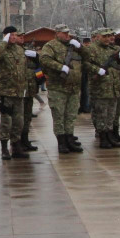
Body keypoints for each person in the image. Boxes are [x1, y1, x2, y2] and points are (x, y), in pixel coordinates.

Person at [39, 24, 86, 153]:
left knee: (71, 116)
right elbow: (44, 59)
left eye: (68, 33)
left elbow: (88, 56)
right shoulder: (50, 46)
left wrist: (80, 47)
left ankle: (70, 140)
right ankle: (61, 142)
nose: (67, 35)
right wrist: (61, 67)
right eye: (64, 33)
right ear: (57, 33)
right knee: (59, 116)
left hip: (73, 88)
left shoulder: (73, 46)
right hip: (58, 88)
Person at [0, 26, 29, 159]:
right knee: (6, 121)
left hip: (19, 92)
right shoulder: (0, 49)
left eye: (15, 35)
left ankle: (16, 146)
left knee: (18, 122)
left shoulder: (19, 50)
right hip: (6, 92)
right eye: (11, 35)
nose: (14, 37)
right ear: (5, 36)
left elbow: (23, 68)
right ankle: (4, 148)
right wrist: (4, 42)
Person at [82, 28, 120, 149]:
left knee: (111, 115)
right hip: (100, 88)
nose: (107, 39)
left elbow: (118, 66)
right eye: (104, 36)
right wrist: (97, 70)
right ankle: (103, 138)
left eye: (108, 36)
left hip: (113, 87)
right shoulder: (91, 49)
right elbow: (85, 63)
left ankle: (110, 136)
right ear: (98, 36)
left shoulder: (112, 49)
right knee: (101, 114)